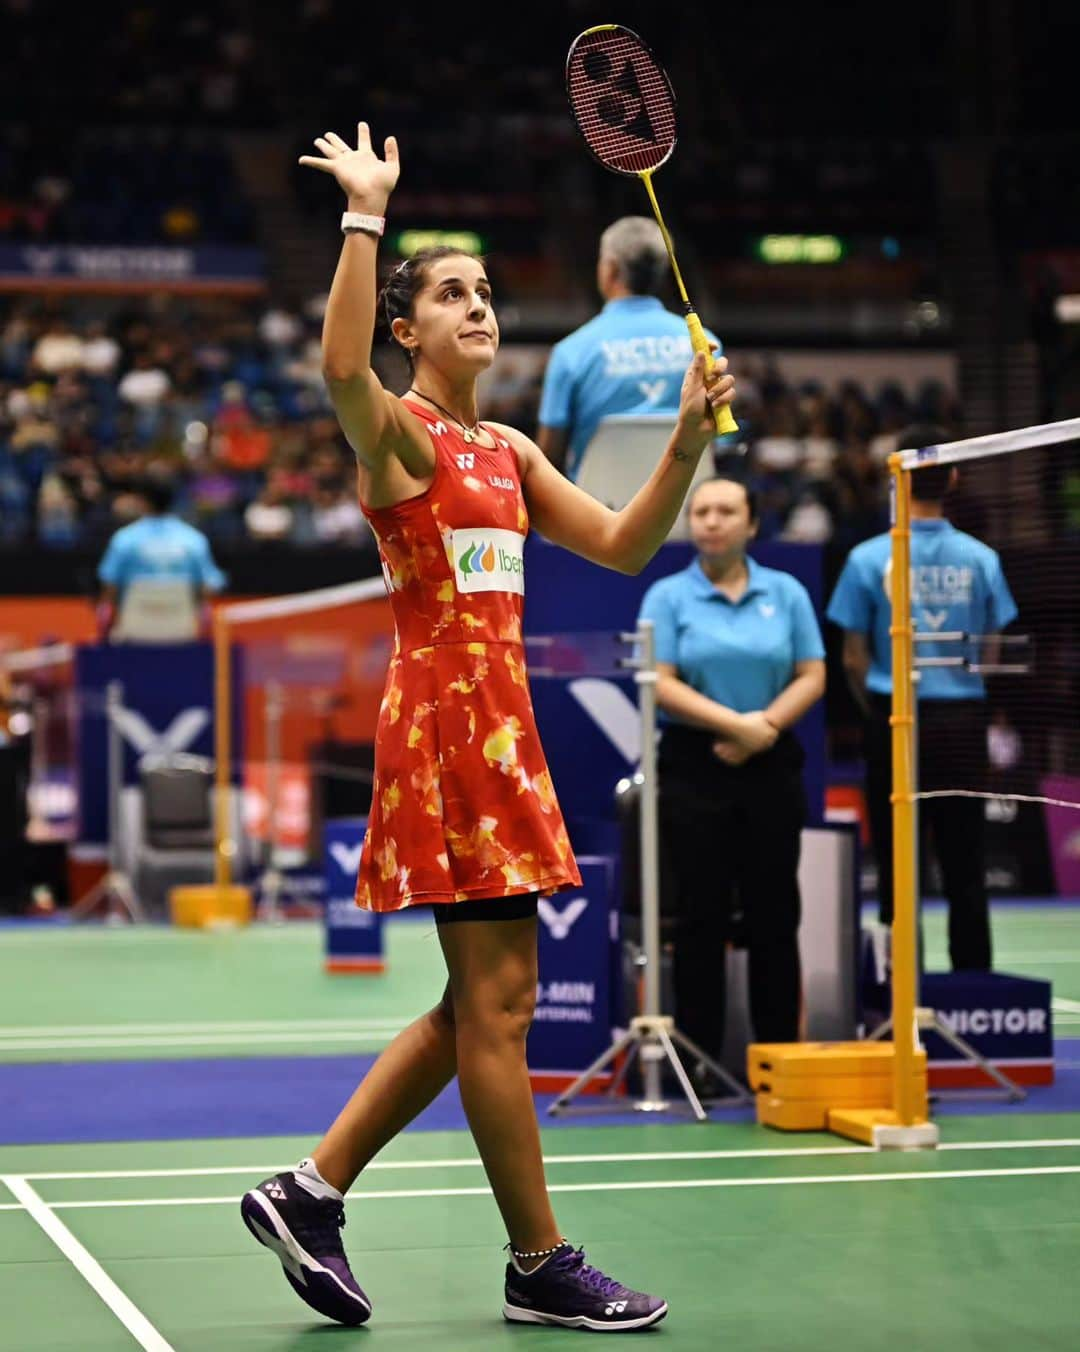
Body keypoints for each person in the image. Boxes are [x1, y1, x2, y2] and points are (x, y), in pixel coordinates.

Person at [239, 122, 735, 1333]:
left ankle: (311, 1190)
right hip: (450, 727)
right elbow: (341, 371)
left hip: (502, 730)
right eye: (451, 293)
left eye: (486, 292)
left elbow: (621, 545)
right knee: (501, 1006)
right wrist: (367, 219)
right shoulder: (400, 435)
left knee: (479, 1005)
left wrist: (684, 438)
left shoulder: (507, 451)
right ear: (411, 328)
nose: (479, 307)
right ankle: (537, 1259)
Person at [637, 477, 825, 1089]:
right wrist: (735, 726)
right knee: (700, 917)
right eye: (702, 511)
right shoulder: (668, 597)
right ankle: (701, 1063)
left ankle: (779, 1063)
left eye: (726, 511)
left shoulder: (787, 593)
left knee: (775, 913)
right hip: (695, 765)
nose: (712, 521)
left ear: (750, 524)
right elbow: (658, 681)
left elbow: (812, 672)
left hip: (771, 763)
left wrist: (763, 727)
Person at [826, 425, 1018, 970]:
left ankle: (896, 993)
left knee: (894, 863)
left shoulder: (867, 558)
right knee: (966, 863)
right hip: (962, 722)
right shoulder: (981, 558)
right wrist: (967, 684)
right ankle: (975, 992)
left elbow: (853, 657)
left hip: (893, 722)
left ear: (898, 477)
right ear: (954, 477)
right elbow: (995, 645)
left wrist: (877, 710)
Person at [536, 216, 721, 481]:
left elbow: (549, 458)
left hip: (598, 512)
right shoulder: (705, 344)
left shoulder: (571, 352)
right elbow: (719, 441)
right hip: (688, 505)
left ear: (609, 269)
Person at [96, 477, 226, 641]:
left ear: (143, 502)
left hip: (133, 633)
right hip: (183, 633)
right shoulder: (193, 540)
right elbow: (210, 586)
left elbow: (109, 587)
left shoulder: (124, 539)